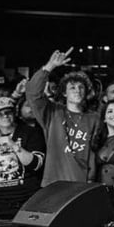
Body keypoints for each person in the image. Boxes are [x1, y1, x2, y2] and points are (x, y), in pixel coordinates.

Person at [25, 47, 101, 185]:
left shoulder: (93, 118)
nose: (77, 91)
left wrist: (91, 178)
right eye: (72, 87)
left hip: (81, 182)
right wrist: (50, 66)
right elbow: (32, 93)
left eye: (81, 87)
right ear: (64, 93)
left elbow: (93, 151)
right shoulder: (53, 112)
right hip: (54, 181)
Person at [0, 96, 46, 219]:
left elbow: (36, 164)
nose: (5, 116)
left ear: (14, 113)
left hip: (27, 198)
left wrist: (13, 145)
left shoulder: (31, 133)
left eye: (8, 112)